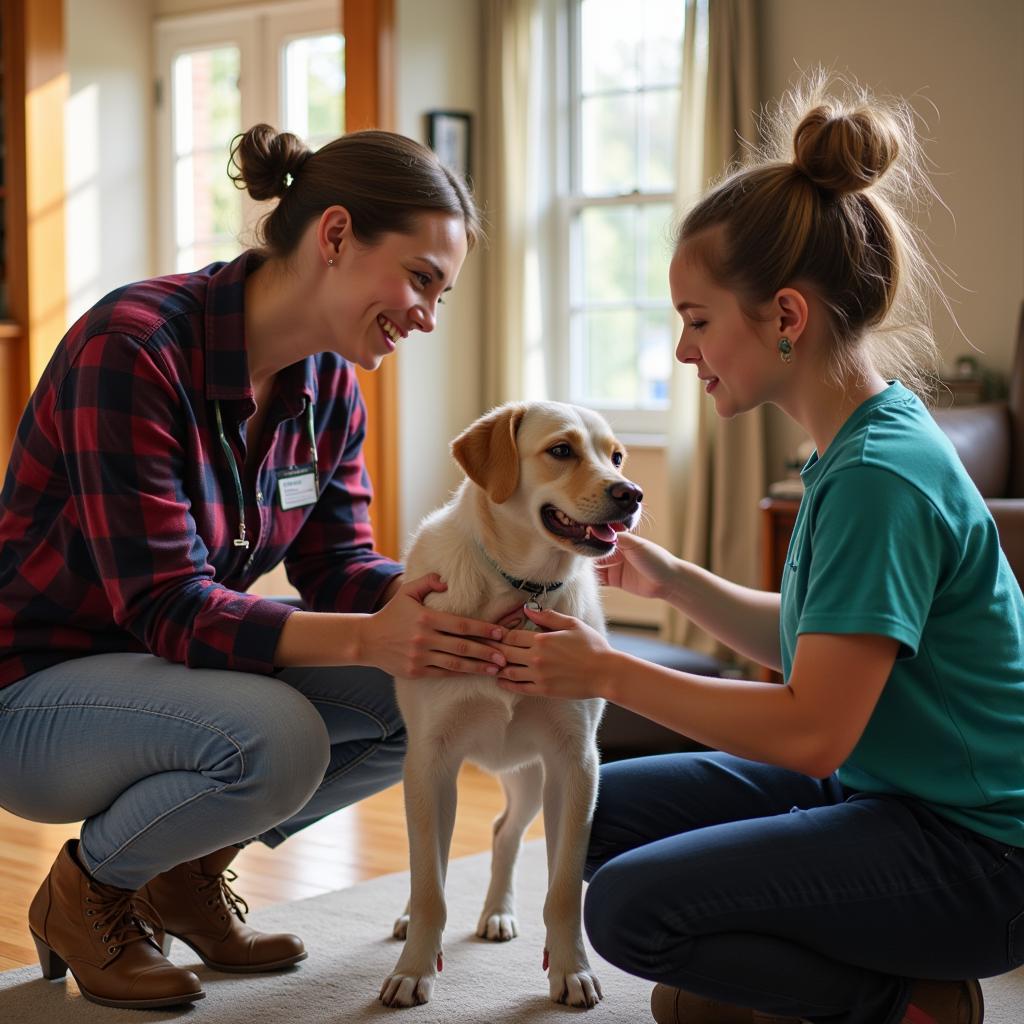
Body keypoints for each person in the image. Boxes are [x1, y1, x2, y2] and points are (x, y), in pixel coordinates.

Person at [491, 75, 1024, 1024]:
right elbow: (827, 640)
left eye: (698, 321)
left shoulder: (879, 478)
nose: (687, 352)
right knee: (595, 815)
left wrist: (606, 670)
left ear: (784, 316)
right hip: (887, 785)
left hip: (978, 855)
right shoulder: (859, 441)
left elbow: (812, 726)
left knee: (624, 906)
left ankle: (911, 1001)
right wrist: (674, 579)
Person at [0, 124, 513, 1010]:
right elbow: (168, 606)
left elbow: (341, 565)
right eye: (422, 279)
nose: (429, 315)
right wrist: (373, 640)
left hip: (163, 680)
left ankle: (183, 874)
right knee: (278, 736)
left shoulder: (330, 390)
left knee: (428, 694)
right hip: (35, 696)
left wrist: (454, 611)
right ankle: (87, 895)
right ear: (337, 235)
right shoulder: (134, 347)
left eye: (443, 293)